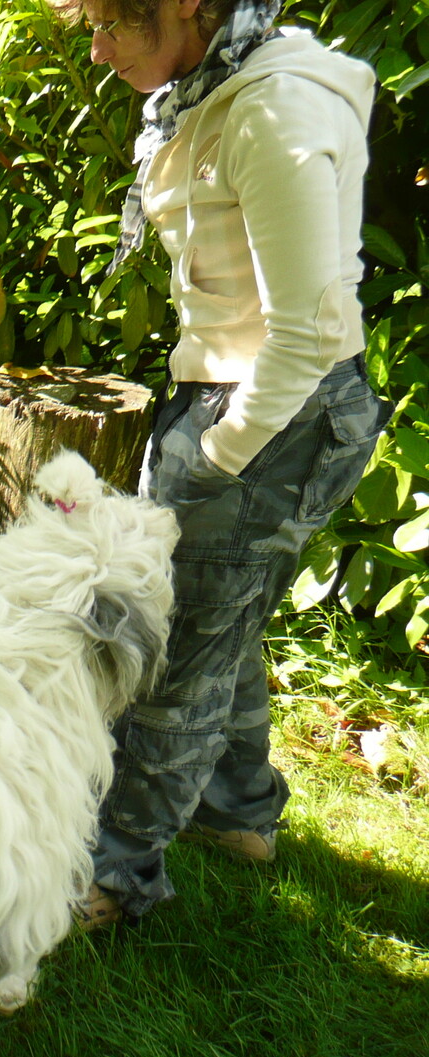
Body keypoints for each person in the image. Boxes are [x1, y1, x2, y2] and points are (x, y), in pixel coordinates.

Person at [56, 0, 391, 926]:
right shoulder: (216, 91)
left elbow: (308, 333)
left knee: (175, 650)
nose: (98, 49)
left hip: (272, 414)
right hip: (237, 398)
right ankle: (239, 814)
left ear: (185, 5)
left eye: (114, 23)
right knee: (220, 620)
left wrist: (217, 454)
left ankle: (113, 873)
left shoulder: (274, 108)